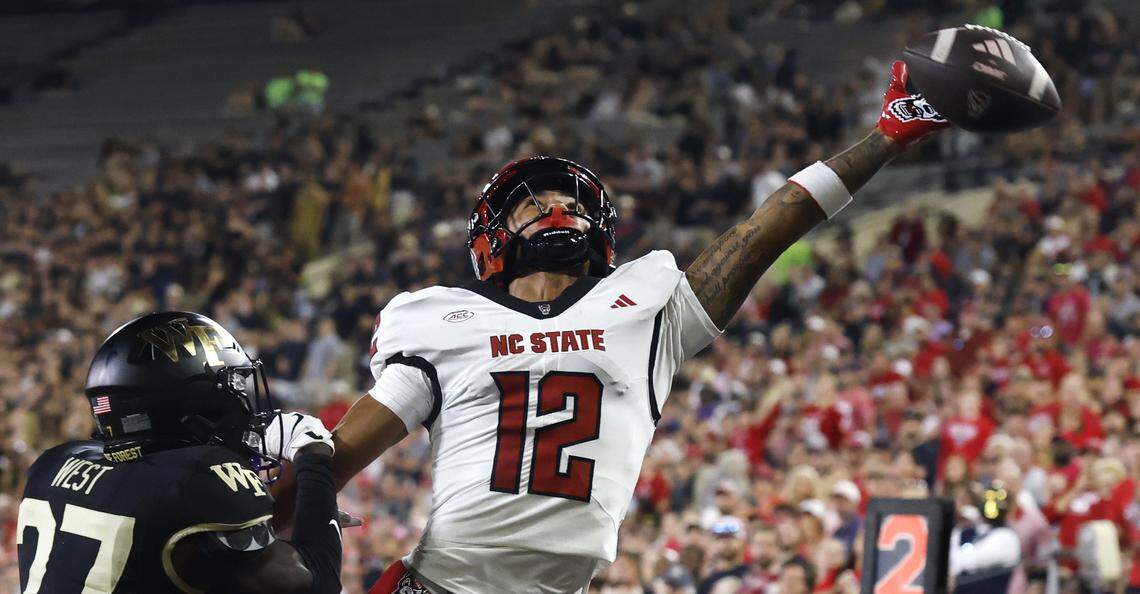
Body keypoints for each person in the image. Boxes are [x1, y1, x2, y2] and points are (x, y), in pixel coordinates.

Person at [275, 59, 950, 594]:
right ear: (491, 236)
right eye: (532, 200)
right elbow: (337, 458)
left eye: (570, 198)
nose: (556, 205)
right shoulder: (440, 321)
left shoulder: (647, 306)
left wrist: (885, 136)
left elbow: (766, 229)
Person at [17, 312, 343, 594]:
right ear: (195, 406)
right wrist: (314, 454)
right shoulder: (197, 478)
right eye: (232, 394)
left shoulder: (51, 463)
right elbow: (318, 583)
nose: (242, 410)